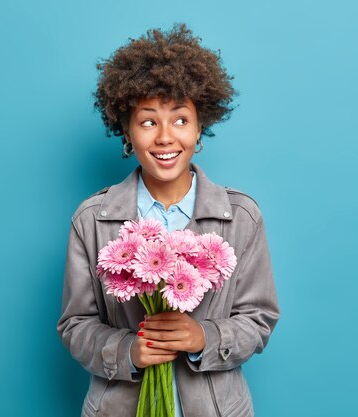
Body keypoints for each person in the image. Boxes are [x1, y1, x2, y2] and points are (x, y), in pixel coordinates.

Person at [57, 24, 280, 417]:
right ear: (126, 130)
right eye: (148, 122)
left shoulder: (241, 217)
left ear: (199, 129)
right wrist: (127, 350)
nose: (164, 137)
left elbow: (259, 319)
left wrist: (202, 337)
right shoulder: (92, 219)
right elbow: (76, 324)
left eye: (180, 120)